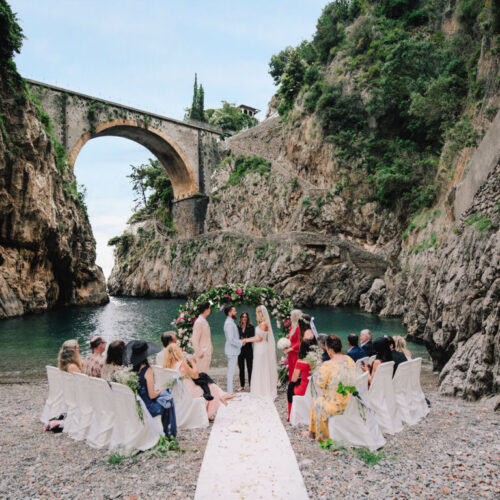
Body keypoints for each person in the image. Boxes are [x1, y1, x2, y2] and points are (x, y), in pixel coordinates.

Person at [304, 335, 356, 441]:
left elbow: (320, 385)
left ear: (330, 349)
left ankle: (318, 435)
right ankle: (312, 432)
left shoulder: (328, 365)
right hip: (351, 400)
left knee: (317, 403)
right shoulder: (349, 359)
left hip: (337, 406)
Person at [164, 343, 234, 420]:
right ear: (177, 352)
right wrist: (192, 361)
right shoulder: (182, 364)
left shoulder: (167, 366)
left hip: (179, 390)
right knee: (210, 386)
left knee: (205, 381)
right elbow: (195, 375)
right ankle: (210, 412)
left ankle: (222, 396)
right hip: (189, 390)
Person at [127, 340, 176, 438]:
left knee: (164, 395)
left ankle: (166, 431)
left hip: (137, 405)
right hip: (147, 407)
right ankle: (169, 433)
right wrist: (161, 390)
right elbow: (152, 395)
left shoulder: (132, 370)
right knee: (168, 399)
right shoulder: (147, 370)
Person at [246, 305, 278, 400]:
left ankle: (263, 390)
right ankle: (259, 389)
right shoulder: (261, 323)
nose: (256, 314)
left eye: (257, 312)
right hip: (259, 347)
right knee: (258, 366)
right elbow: (257, 337)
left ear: (260, 313)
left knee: (261, 366)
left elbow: (259, 339)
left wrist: (247, 340)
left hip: (262, 347)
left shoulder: (264, 324)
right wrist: (247, 339)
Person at [224, 305, 246, 394]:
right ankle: (229, 392)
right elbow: (231, 339)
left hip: (232, 350)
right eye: (234, 311)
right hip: (231, 351)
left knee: (231, 371)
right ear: (230, 313)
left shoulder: (230, 322)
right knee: (230, 372)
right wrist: (241, 342)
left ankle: (230, 391)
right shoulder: (229, 324)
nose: (236, 312)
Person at [287, 341, 312, 419]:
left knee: (290, 388)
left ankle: (290, 415)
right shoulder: (315, 360)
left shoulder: (300, 362)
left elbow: (294, 379)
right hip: (312, 387)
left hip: (303, 389)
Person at [191, 302, 213, 373]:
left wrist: (210, 349)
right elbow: (194, 339)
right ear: (206, 309)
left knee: (205, 373)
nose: (210, 310)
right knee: (201, 374)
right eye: (209, 308)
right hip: (202, 354)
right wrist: (199, 352)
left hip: (207, 352)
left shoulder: (204, 321)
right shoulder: (199, 322)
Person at [237, 312, 255, 392]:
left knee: (250, 367)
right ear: (241, 318)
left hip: (248, 349)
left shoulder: (251, 327)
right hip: (240, 350)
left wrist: (245, 340)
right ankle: (242, 385)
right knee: (241, 368)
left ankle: (251, 385)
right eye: (243, 317)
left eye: (246, 317)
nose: (244, 318)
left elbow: (252, 338)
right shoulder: (237, 327)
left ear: (247, 318)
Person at [283, 309, 302, 382]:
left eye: (291, 316)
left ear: (295, 317)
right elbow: (291, 340)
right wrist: (285, 346)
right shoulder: (292, 327)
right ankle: (291, 385)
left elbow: (299, 342)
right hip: (291, 352)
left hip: (296, 352)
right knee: (291, 368)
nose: (290, 317)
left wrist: (290, 349)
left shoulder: (298, 328)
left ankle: (295, 385)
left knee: (295, 369)